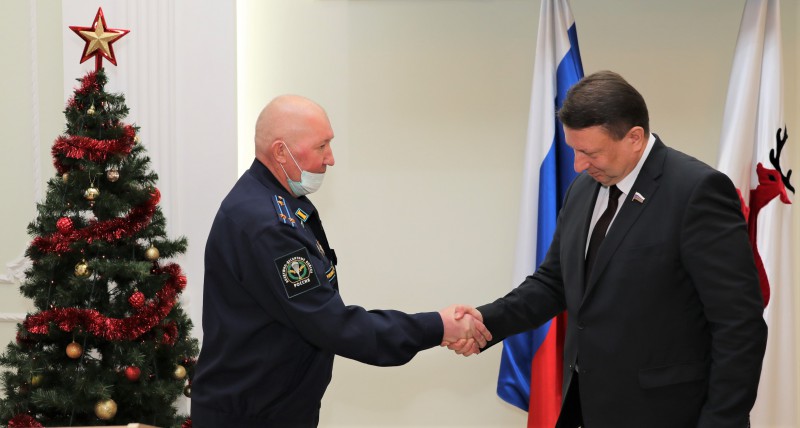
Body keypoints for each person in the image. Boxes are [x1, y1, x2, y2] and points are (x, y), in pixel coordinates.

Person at [447, 71, 767, 427]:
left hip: (665, 413)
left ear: (634, 138)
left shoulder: (696, 191)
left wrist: (722, 421)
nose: (578, 165)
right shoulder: (582, 189)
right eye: (574, 150)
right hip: (585, 406)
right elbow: (554, 283)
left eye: (590, 152)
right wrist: (484, 322)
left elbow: (739, 324)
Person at [191, 94, 490, 427]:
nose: (330, 158)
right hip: (250, 418)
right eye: (321, 146)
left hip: (269, 408)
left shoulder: (275, 201)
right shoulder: (268, 225)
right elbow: (333, 325)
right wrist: (439, 326)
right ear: (280, 152)